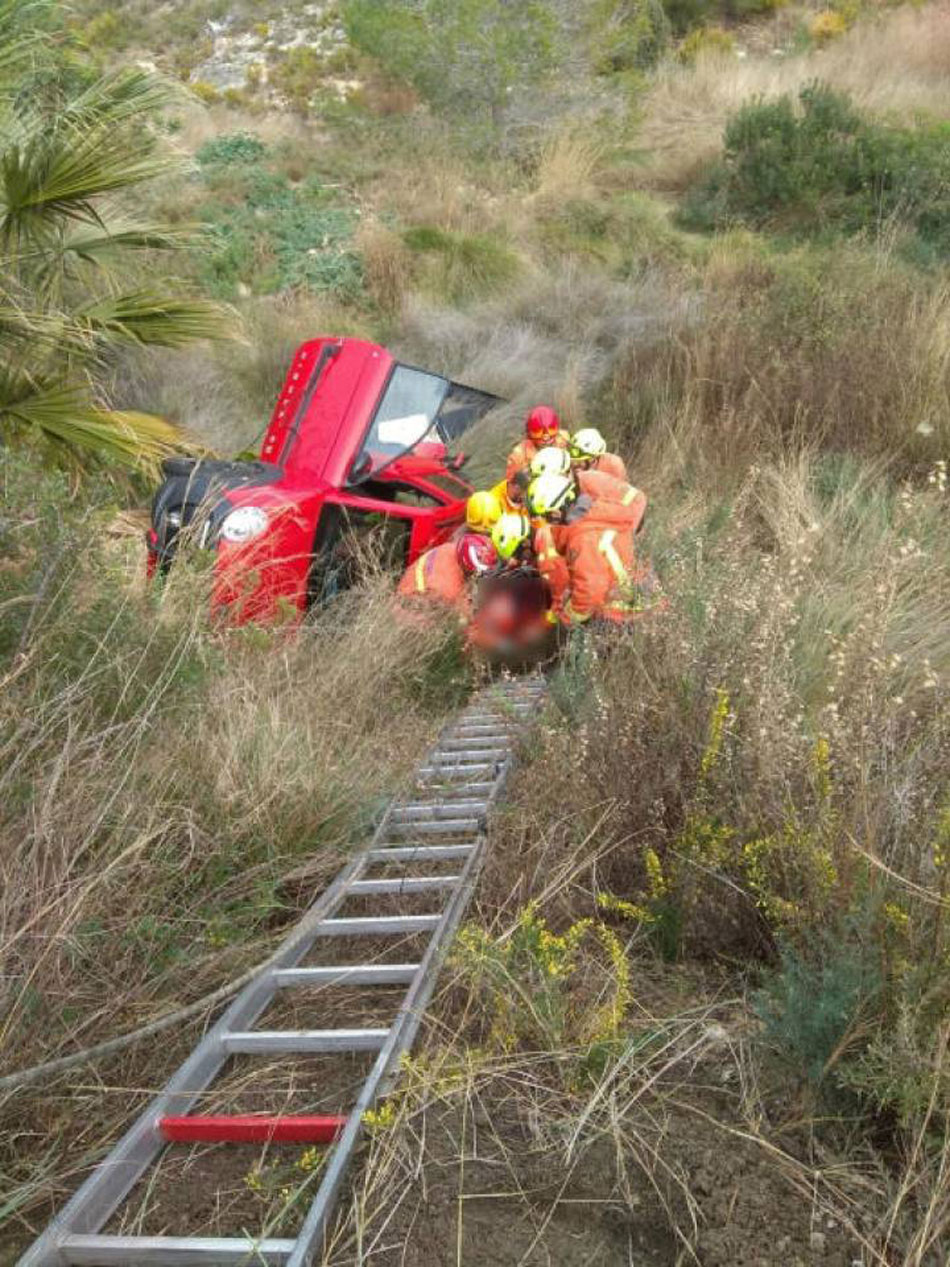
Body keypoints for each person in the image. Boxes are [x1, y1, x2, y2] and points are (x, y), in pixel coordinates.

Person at [526, 471, 655, 626]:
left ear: (556, 513)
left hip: (624, 614)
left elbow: (590, 593)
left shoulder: (583, 539)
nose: (547, 524)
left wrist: (566, 618)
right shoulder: (600, 514)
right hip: (645, 597)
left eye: (546, 517)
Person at [396, 532, 498, 623]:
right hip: (409, 606)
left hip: (413, 582)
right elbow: (468, 620)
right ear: (467, 564)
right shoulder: (450, 587)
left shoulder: (452, 548)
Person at [505, 406, 571, 487]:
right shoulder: (519, 455)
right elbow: (510, 486)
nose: (546, 437)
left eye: (551, 429)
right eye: (538, 431)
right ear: (529, 432)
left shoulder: (563, 439)